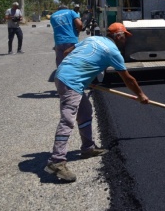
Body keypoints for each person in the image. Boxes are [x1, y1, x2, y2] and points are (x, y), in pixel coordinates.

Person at [45, 22, 150, 182]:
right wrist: (141, 95)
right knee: (67, 120)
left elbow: (68, 52)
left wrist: (82, 72)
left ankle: (88, 148)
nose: (126, 40)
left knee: (85, 111)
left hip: (63, 75)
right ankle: (57, 161)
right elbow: (128, 79)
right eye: (125, 37)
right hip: (71, 81)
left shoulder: (92, 39)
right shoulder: (113, 51)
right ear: (118, 36)